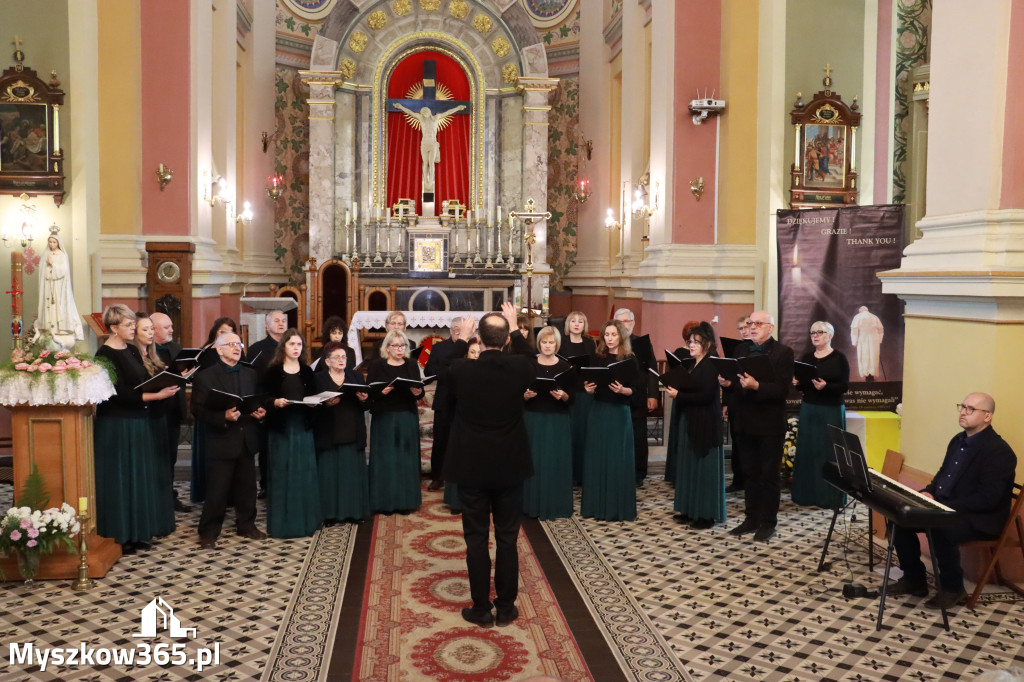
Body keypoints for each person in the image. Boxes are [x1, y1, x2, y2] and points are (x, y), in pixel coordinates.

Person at [443, 312, 534, 627]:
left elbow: (445, 370)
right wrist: (517, 331)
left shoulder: (463, 368)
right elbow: (531, 358)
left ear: (478, 340)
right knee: (508, 539)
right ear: (507, 339)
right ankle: (506, 608)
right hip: (509, 465)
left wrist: (461, 340)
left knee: (477, 539)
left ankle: (481, 608)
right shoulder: (519, 367)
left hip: (472, 467)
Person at [887, 393, 1017, 610]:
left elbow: (990, 498)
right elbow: (943, 474)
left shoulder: (998, 451)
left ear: (987, 416)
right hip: (947, 507)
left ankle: (953, 588)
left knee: (941, 528)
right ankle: (914, 579)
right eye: (963, 406)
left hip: (979, 517)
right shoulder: (958, 440)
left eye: (971, 409)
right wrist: (929, 492)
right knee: (900, 517)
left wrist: (945, 508)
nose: (963, 412)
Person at [94, 305, 179, 554]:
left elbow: (141, 380)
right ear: (113, 328)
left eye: (134, 324)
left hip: (138, 422)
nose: (133, 329)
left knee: (138, 478)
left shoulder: (131, 350)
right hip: (118, 425)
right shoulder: (104, 355)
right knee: (122, 480)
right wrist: (157, 395)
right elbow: (118, 394)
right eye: (129, 325)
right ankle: (121, 534)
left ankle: (138, 531)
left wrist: (163, 379)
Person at [719, 310, 794, 542]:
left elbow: (783, 390)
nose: (753, 327)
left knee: (768, 475)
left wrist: (757, 385)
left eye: (758, 324)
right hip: (744, 421)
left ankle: (768, 521)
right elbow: (736, 385)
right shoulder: (740, 350)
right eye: (750, 323)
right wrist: (728, 383)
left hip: (769, 424)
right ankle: (751, 518)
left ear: (770, 328)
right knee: (750, 474)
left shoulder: (783, 352)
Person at [191, 333, 268, 549]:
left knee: (247, 488)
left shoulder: (250, 374)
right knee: (217, 490)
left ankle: (247, 525)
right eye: (231, 344)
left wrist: (259, 412)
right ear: (219, 349)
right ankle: (208, 532)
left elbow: (254, 401)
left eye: (239, 344)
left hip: (246, 437)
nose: (237, 347)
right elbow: (197, 410)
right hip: (221, 439)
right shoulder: (205, 377)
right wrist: (221, 417)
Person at [263, 329, 323, 537]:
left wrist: (315, 404)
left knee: (304, 474)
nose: (296, 348)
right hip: (281, 428)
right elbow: (263, 398)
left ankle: (306, 522)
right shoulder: (273, 371)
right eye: (292, 344)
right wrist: (275, 402)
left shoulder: (307, 371)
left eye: (299, 345)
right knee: (282, 474)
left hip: (303, 427)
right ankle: (282, 524)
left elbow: (314, 397)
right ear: (283, 347)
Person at [667, 323, 725, 529]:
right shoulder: (693, 364)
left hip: (705, 424)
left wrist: (678, 395)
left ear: (707, 344)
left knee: (703, 471)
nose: (691, 345)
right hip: (691, 421)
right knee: (689, 468)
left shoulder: (711, 364)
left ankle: (706, 515)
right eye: (689, 341)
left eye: (695, 342)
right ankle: (690, 510)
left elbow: (707, 395)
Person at [581, 320, 640, 522]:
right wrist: (588, 390)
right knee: (597, 458)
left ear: (621, 336)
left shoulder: (629, 358)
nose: (610, 338)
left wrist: (624, 390)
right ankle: (596, 506)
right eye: (607, 335)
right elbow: (591, 385)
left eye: (614, 335)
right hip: (599, 410)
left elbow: (638, 391)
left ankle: (616, 507)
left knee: (617, 459)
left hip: (619, 412)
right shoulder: (598, 357)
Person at [791, 321, 850, 509]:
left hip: (831, 409)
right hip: (810, 408)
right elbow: (803, 384)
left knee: (830, 452)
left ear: (830, 336)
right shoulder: (807, 357)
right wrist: (796, 383)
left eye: (820, 332)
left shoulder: (840, 358)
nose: (815, 335)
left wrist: (827, 387)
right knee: (808, 451)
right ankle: (805, 495)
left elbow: (844, 386)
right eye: (812, 332)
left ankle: (830, 498)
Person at [367, 328, 424, 513]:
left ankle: (406, 502)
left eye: (402, 345)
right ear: (387, 348)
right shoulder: (377, 365)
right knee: (386, 460)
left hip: (406, 415)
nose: (400, 349)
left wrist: (418, 392)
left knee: (405, 460)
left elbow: (419, 390)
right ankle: (385, 503)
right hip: (384, 418)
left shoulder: (411, 364)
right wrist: (380, 392)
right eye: (395, 346)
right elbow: (370, 392)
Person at [314, 341, 371, 523]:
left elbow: (367, 406)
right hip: (329, 431)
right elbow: (311, 406)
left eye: (344, 357)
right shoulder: (319, 379)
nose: (341, 360)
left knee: (351, 476)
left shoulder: (356, 377)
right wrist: (325, 404)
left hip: (352, 431)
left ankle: (354, 513)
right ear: (327, 361)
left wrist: (363, 399)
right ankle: (330, 515)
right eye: (337, 357)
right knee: (330, 476)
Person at [522, 326, 574, 520]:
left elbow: (573, 398)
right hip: (533, 418)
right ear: (539, 343)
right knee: (533, 461)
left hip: (556, 420)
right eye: (544, 342)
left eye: (551, 342)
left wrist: (563, 395)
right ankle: (530, 503)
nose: (547, 346)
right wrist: (525, 395)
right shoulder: (530, 364)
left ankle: (555, 504)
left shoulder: (564, 367)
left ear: (557, 344)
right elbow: (519, 393)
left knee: (554, 461)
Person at [132, 312, 177, 527]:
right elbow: (129, 391)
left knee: (163, 465)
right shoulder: (131, 355)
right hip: (143, 416)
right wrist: (158, 392)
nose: (150, 333)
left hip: (159, 414)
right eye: (146, 329)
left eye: (151, 329)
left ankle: (159, 515)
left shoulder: (153, 355)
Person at [193, 316, 241, 503]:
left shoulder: (238, 356)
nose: (230, 339)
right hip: (213, 416)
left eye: (231, 332)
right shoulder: (207, 354)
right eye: (223, 332)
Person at [613, 308, 659, 486]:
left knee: (638, 436)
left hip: (638, 396)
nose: (624, 325)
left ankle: (639, 473)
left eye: (627, 321)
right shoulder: (610, 343)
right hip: (617, 395)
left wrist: (653, 395)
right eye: (620, 322)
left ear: (633, 323)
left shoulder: (641, 343)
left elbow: (653, 370)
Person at [151, 312, 190, 512]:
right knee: (156, 457)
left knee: (171, 456)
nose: (172, 330)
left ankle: (170, 495)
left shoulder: (176, 348)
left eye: (171, 326)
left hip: (173, 409)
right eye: (167, 327)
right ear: (154, 330)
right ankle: (156, 497)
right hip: (154, 410)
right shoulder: (146, 351)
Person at [248, 309, 288, 498]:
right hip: (266, 402)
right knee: (266, 447)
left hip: (288, 402)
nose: (281, 323)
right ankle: (265, 484)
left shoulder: (291, 345)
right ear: (267, 325)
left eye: (283, 320)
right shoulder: (258, 348)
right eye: (277, 321)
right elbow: (252, 379)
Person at [424, 316, 463, 491]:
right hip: (444, 399)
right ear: (449, 329)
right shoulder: (439, 347)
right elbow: (428, 370)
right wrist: (443, 371)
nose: (457, 330)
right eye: (454, 327)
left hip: (465, 400)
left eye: (461, 328)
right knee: (440, 440)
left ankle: (460, 479)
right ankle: (437, 477)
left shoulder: (472, 347)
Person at [392, 102, 467, 191]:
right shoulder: (421, 119)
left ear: (429, 112)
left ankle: (430, 182)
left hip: (432, 143)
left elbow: (447, 112)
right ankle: (426, 181)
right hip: (424, 143)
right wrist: (400, 106)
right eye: (422, 112)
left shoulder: (436, 118)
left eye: (425, 112)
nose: (424, 114)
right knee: (425, 162)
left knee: (431, 163)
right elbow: (410, 112)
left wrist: (458, 108)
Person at [664, 320, 700, 484]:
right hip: (680, 396)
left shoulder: (706, 355)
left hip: (696, 399)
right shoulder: (679, 351)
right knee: (679, 434)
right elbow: (673, 372)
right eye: (690, 338)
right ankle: (675, 474)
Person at [562, 311, 595, 486]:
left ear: (584, 325)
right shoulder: (562, 342)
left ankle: (583, 474)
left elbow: (594, 364)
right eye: (573, 321)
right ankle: (569, 474)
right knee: (570, 433)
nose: (576, 324)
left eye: (580, 321)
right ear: (568, 324)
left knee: (584, 433)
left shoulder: (590, 343)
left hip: (585, 391)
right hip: (569, 391)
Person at [33, 233, 83, 347]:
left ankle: (58, 328)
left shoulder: (62, 255)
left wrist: (53, 264)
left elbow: (63, 270)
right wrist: (46, 267)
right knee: (48, 306)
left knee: (57, 306)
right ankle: (48, 327)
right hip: (48, 285)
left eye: (54, 242)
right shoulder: (46, 254)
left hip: (59, 287)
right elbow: (42, 271)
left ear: (58, 243)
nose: (51, 244)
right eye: (50, 242)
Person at [724, 314, 753, 493]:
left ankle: (750, 481)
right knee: (737, 444)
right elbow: (732, 377)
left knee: (751, 445)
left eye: (746, 327)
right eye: (740, 328)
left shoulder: (762, 349)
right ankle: (738, 480)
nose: (743, 331)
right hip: (737, 403)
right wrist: (726, 401)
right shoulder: (738, 349)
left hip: (753, 404)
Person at [850, 305, 884, 380]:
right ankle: (871, 375)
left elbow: (854, 330)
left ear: (860, 311)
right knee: (873, 357)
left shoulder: (857, 317)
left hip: (863, 338)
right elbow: (881, 329)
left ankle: (867, 375)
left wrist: (854, 341)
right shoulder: (874, 317)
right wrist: (879, 339)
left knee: (864, 357)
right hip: (874, 339)